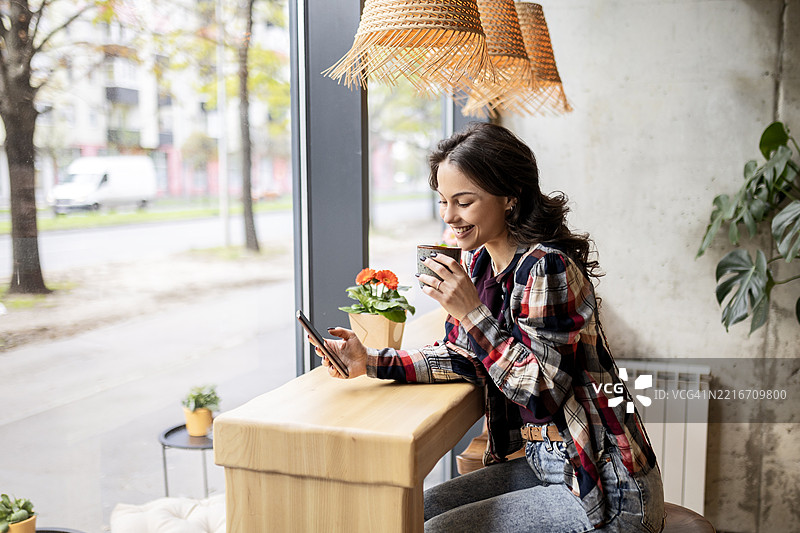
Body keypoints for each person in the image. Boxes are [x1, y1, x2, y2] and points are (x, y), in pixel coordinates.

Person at [314, 123, 665, 533]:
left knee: (433, 530)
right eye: (443, 201)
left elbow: (543, 392)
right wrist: (369, 360)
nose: (449, 216)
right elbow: (465, 356)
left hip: (606, 489)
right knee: (410, 514)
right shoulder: (481, 264)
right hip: (548, 464)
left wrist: (470, 311)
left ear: (510, 197)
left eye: (464, 202)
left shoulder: (546, 267)